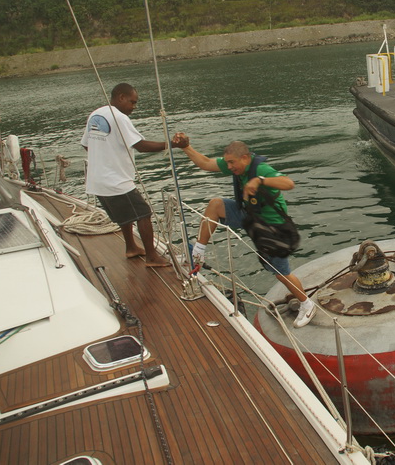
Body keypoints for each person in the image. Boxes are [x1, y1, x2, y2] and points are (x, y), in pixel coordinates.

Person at [173, 134, 316, 328]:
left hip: (271, 226)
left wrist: (259, 181)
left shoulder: (261, 169)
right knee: (216, 205)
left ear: (245, 158)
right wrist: (186, 147)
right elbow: (205, 163)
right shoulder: (235, 165)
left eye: (232, 162)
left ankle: (307, 304)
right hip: (248, 215)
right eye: (227, 163)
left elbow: (288, 183)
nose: (229, 167)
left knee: (280, 272)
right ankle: (198, 252)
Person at [81, 82, 185, 267]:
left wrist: (105, 154)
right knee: (143, 213)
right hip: (115, 180)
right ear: (121, 97)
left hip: (97, 180)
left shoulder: (96, 114)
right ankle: (152, 257)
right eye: (132, 102)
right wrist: (172, 144)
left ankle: (131, 248)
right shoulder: (119, 117)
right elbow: (141, 146)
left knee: (125, 215)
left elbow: (86, 144)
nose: (134, 107)